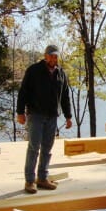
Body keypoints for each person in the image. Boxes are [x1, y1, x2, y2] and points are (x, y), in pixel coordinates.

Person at [17, 44, 73, 194]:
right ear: (45, 56)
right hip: (35, 115)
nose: (54, 59)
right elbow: (23, 92)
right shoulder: (34, 70)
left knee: (47, 148)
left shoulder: (61, 74)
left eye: (56, 56)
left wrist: (68, 116)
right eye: (51, 56)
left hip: (52, 116)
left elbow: (65, 97)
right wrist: (20, 112)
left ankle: (42, 178)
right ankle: (29, 181)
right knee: (34, 147)